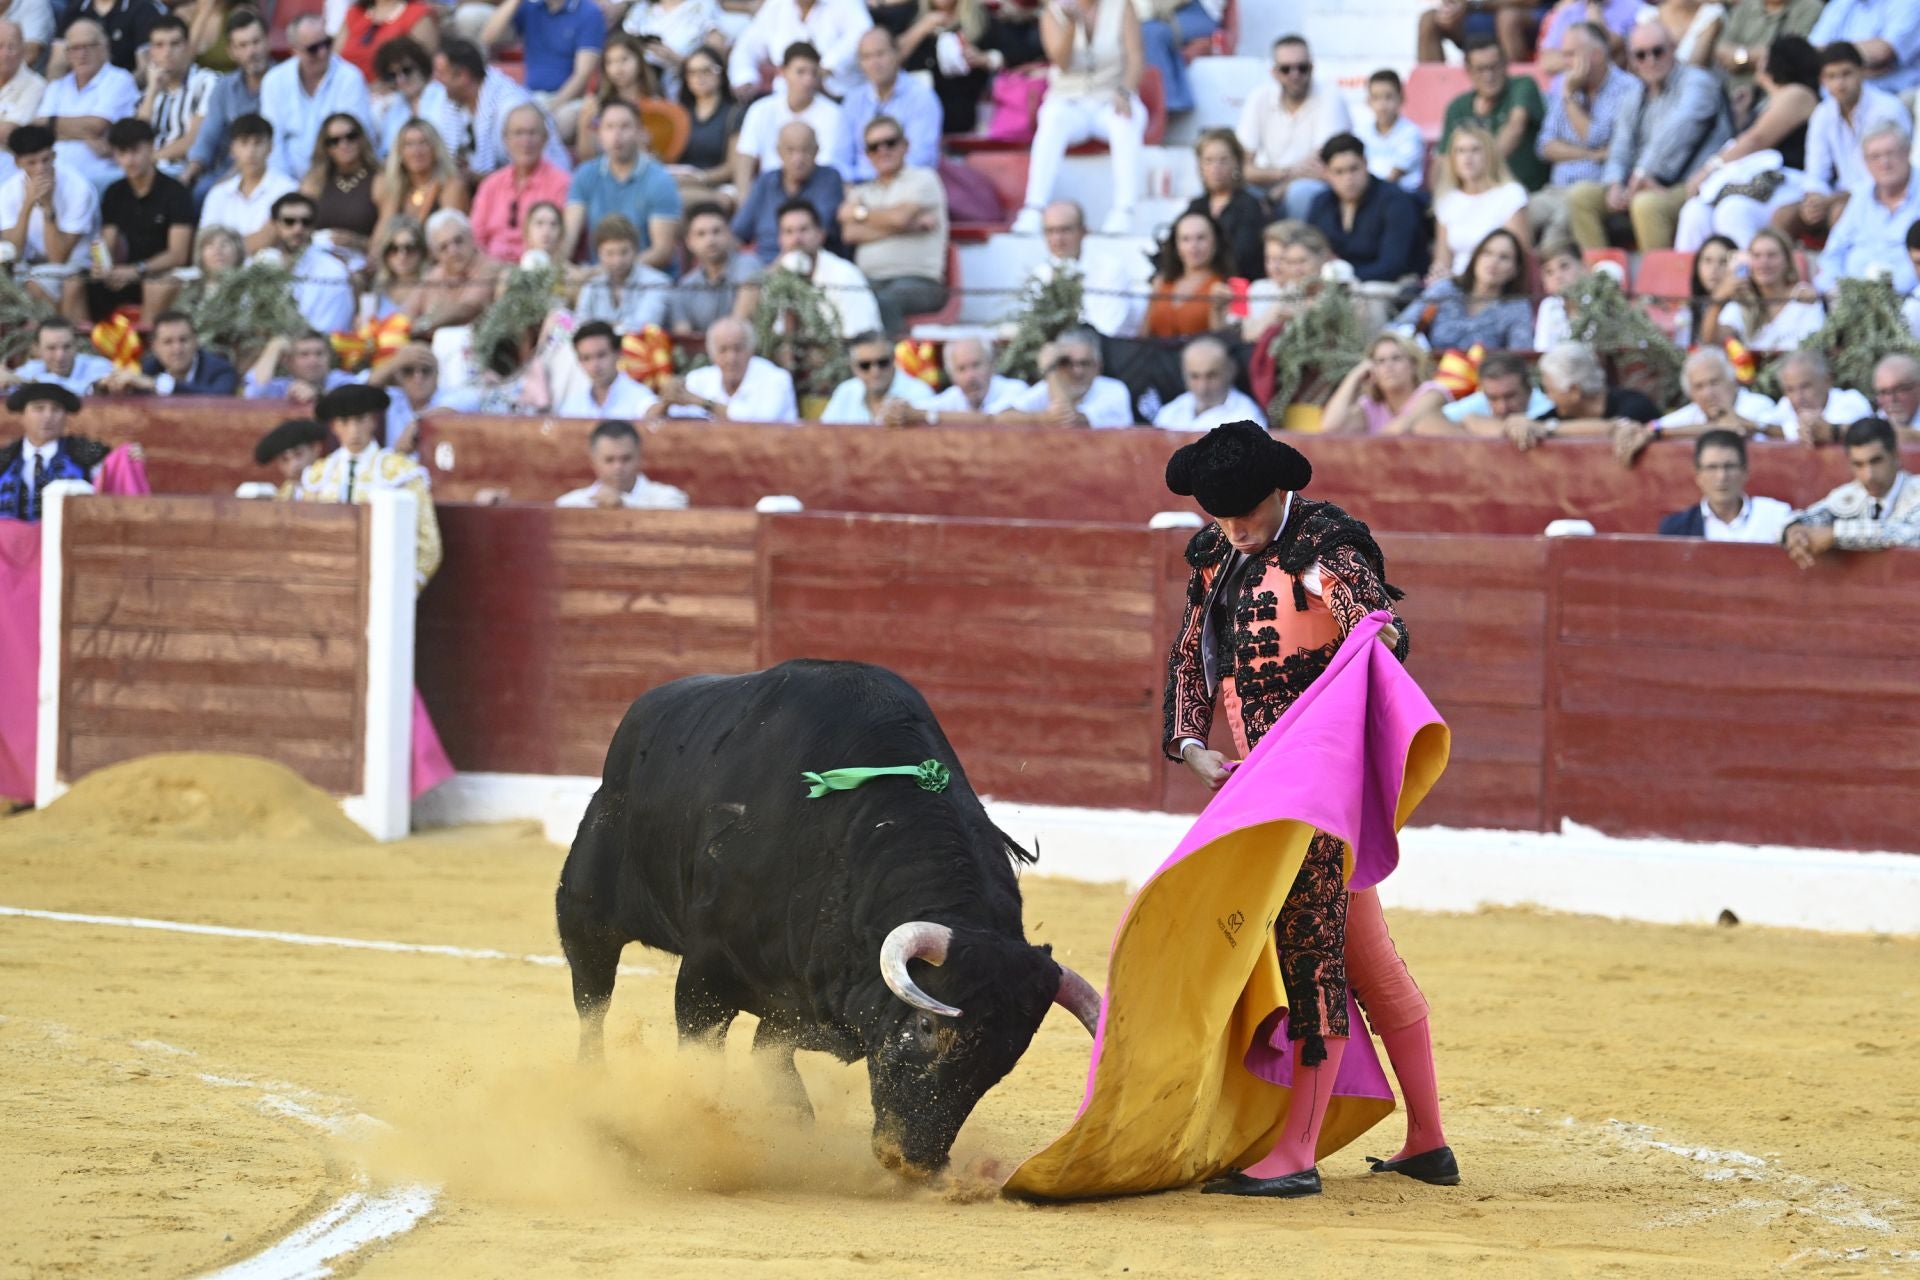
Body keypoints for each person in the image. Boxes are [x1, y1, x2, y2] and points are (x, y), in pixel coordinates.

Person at [1161, 421, 1451, 1200]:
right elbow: (1191, 655)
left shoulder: (1329, 550)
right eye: (1219, 516)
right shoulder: (1216, 557)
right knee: (1366, 961)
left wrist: (1369, 631)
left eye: (1244, 513)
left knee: (1308, 959)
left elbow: (1382, 636)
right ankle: (1428, 1140)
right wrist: (1189, 743)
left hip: (1318, 788)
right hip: (1262, 791)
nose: (1232, 529)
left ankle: (1296, 1153)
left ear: (1279, 492)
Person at [1564, 19, 1733, 250]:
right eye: (1641, 55)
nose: (1650, 60)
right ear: (1632, 60)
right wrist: (1614, 183)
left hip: (1694, 182)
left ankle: (1653, 284)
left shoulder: (1698, 82)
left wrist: (1640, 175)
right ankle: (1603, 276)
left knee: (1646, 204)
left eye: (1658, 51)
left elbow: (1677, 132)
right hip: (1641, 182)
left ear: (1673, 49)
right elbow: (1620, 145)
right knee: (1580, 196)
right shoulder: (1634, 93)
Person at [1671, 35, 1821, 253]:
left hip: (1788, 181)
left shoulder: (1798, 93)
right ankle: (1690, 284)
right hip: (1753, 182)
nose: (1760, 63)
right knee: (1694, 212)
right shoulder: (1765, 101)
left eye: (1765, 57)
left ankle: (1747, 281)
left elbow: (1756, 140)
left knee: (1734, 211)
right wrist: (1742, 116)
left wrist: (1709, 168)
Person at [1009, 0, 1146, 237]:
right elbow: (1061, 62)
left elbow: (1135, 57)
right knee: (1051, 120)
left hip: (1111, 95)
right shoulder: (1052, 10)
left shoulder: (1121, 6)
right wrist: (1073, 24)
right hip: (1069, 99)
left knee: (1125, 122)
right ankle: (1034, 207)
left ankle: (1125, 209)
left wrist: (1125, 91)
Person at [294, 382, 442, 590]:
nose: (353, 430)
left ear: (373, 421)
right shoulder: (316, 477)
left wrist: (402, 592)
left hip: (385, 584)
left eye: (360, 420)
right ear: (334, 426)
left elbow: (428, 545)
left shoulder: (401, 472)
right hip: (328, 585)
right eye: (345, 422)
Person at [1774, 43, 1911, 246]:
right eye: (1831, 76)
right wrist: (1814, 198)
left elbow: (1890, 173)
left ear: (1862, 72)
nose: (1839, 83)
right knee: (1783, 215)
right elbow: (1815, 172)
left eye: (1846, 74)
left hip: (1880, 192)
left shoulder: (1887, 108)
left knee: (1840, 212)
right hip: (1837, 195)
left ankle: (1841, 274)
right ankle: (1790, 273)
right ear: (1822, 80)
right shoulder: (1823, 113)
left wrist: (1831, 200)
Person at [67, 118, 191, 325]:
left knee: (155, 286)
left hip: (157, 273)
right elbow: (109, 240)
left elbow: (178, 254)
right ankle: (84, 347)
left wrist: (137, 270)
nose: (129, 160)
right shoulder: (115, 192)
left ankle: (148, 351)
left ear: (151, 148)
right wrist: (104, 267)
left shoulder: (175, 192)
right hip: (122, 273)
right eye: (122, 153)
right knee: (73, 283)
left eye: (135, 151)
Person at [1532, 20, 1637, 247]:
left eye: (1571, 55)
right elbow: (1544, 146)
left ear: (1597, 55)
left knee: (1552, 243)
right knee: (1511, 219)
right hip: (1555, 190)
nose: (1565, 63)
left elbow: (1594, 136)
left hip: (1594, 192)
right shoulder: (1566, 84)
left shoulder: (1628, 89)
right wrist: (1591, 155)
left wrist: (1569, 96)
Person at [839, 113, 946, 335]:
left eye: (890, 142)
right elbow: (850, 233)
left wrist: (860, 213)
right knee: (841, 296)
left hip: (920, 281)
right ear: (867, 154)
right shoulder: (862, 190)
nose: (883, 150)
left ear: (905, 145)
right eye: (874, 146)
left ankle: (889, 366)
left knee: (883, 301)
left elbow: (899, 218)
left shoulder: (924, 178)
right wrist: (909, 227)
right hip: (868, 280)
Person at [1232, 35, 1351, 224]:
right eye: (1286, 69)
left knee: (1300, 193)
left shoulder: (1330, 97)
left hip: (1316, 186)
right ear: (1275, 72)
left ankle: (1297, 250)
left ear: (1312, 68)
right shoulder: (1259, 97)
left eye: (1302, 68)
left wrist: (1280, 188)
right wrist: (1285, 174)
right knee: (1232, 194)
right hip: (1271, 183)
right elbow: (1241, 165)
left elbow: (1323, 164)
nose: (1294, 75)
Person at [1783, 417, 1920, 567]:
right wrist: (1794, 531)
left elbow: (1908, 533)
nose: (1869, 475)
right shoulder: (1851, 494)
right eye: (1858, 464)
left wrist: (1835, 534)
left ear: (1895, 455)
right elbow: (1806, 518)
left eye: (1876, 461)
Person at [564, 97, 681, 267]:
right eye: (609, 127)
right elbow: (568, 237)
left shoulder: (659, 179)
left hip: (648, 280)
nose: (616, 135)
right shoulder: (585, 174)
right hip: (598, 280)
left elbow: (661, 252)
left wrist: (604, 272)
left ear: (640, 132)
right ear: (599, 134)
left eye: (625, 127)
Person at [1487, 340, 1658, 455]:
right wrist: (1517, 424)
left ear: (1574, 391)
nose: (1548, 397)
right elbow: (1534, 425)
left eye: (1550, 390)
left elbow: (1619, 426)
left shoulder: (1634, 403)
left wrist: (1548, 429)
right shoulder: (1559, 414)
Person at [261, 15, 373, 184]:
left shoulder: (350, 77)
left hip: (339, 178)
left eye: (326, 43)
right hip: (285, 181)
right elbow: (273, 142)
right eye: (313, 49)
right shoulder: (274, 81)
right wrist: (285, 186)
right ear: (295, 50)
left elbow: (353, 140)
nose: (323, 53)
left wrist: (317, 185)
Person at [435, 36, 566, 180]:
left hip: (543, 185)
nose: (437, 80)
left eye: (442, 74)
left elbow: (526, 169)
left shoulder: (510, 108)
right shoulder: (457, 104)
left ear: (462, 76)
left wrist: (473, 178)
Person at [1305, 133, 1427, 284]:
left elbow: (1393, 266)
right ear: (1326, 173)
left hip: (1388, 286)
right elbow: (1309, 252)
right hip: (1333, 285)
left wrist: (1341, 276)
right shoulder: (1321, 203)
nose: (1348, 179)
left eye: (1354, 169)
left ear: (1365, 163)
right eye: (1339, 172)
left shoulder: (1395, 200)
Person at [480, 0, 604, 146]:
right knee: (493, 119)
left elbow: (582, 74)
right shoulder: (530, 7)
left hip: (567, 101)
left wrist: (549, 109)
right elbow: (487, 37)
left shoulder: (589, 12)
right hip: (529, 95)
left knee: (561, 120)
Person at [1816, 122, 1920, 294]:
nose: (1884, 163)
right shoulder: (1860, 196)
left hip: (1910, 302)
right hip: (1853, 301)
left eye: (1890, 153)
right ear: (1865, 162)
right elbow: (1832, 255)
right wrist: (1833, 289)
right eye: (1875, 157)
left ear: (1907, 152)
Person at [36, 16, 137, 190]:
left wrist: (54, 125)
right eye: (75, 48)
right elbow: (38, 130)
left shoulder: (119, 80)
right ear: (67, 54)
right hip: (52, 176)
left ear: (104, 48)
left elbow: (97, 126)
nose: (82, 54)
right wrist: (86, 133)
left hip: (98, 175)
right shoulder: (57, 86)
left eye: (89, 46)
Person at [1395, 228, 1534, 352]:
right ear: (1475, 258)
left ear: (1516, 269)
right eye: (1487, 253)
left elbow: (1521, 356)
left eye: (1504, 257)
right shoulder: (1444, 290)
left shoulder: (1516, 306)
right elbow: (1399, 328)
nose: (1493, 261)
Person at [734, 41, 849, 192]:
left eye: (814, 73)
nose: (808, 80)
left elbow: (827, 166)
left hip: (815, 189)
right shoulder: (760, 109)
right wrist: (745, 204)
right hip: (769, 190)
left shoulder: (834, 114)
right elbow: (745, 160)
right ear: (782, 71)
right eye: (800, 72)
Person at [0, 124, 95, 307]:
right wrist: (27, 205)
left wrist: (47, 206)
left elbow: (58, 257)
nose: (41, 169)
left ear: (54, 155)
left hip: (77, 261)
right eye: (32, 163)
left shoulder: (78, 188)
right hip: (28, 264)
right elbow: (13, 252)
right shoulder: (8, 191)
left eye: (46, 160)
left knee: (35, 284)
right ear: (17, 162)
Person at [181, 7, 268, 196]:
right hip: (224, 169)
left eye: (256, 42)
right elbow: (208, 136)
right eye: (243, 45)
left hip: (266, 169)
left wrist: (226, 181)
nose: (252, 51)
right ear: (231, 51)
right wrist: (191, 170)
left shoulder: (283, 81)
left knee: (207, 192)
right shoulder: (224, 87)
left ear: (267, 42)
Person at [1441, 37, 1546, 192]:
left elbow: (1515, 127)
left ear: (1505, 65)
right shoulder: (1457, 107)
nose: (1488, 76)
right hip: (1473, 196)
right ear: (1468, 71)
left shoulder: (1523, 85)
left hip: (1526, 193)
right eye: (1480, 69)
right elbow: (1443, 159)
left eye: (1494, 67)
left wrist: (1480, 176)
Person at [732, 119, 843, 264]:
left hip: (811, 266)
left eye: (805, 150)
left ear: (817, 150)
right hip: (761, 265)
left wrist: (771, 273)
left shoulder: (829, 178)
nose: (798, 158)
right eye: (790, 150)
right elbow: (738, 232)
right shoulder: (765, 181)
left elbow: (814, 234)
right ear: (778, 152)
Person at [1027, 197, 1141, 337]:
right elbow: (1032, 326)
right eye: (1050, 231)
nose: (1057, 239)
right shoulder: (1040, 274)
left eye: (1065, 230)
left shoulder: (1110, 270)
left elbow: (1109, 328)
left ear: (1084, 231)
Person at [1430, 120, 1530, 278]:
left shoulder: (1511, 195)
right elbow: (1443, 260)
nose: (1467, 158)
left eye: (1475, 150)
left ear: (1489, 154)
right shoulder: (1446, 200)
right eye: (1460, 151)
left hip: (1497, 287)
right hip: (1454, 286)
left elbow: (1519, 259)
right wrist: (1437, 274)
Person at [838, 27, 939, 182]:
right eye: (867, 57)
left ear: (897, 54)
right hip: (859, 186)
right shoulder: (853, 101)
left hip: (906, 185)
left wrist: (881, 182)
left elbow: (921, 158)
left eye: (880, 54)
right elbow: (840, 157)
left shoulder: (921, 97)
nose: (874, 63)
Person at [468, 103, 567, 261]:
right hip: (490, 270)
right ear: (505, 139)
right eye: (518, 133)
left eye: (532, 133)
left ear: (545, 138)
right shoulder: (491, 185)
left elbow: (562, 241)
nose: (525, 141)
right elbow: (475, 238)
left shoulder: (561, 183)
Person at [1696, 227, 1822, 350]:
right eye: (1756, 256)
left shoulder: (1804, 296)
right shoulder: (1744, 302)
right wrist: (1718, 299)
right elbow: (1711, 342)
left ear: (1787, 261)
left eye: (1772, 255)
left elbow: (1814, 347)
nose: (1764, 262)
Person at [1656, 429, 1792, 540]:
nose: (1721, 477)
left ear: (1745, 472)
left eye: (1730, 466)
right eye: (1711, 468)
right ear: (1698, 476)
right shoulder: (1675, 528)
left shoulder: (1775, 516)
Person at [0, 381, 110, 520]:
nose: (48, 417)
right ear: (22, 415)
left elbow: (116, 472)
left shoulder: (88, 452)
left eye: (56, 409)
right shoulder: (4, 457)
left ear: (66, 417)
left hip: (69, 539)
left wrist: (129, 456)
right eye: (39, 409)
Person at [774, 195, 881, 336]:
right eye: (788, 232)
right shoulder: (777, 278)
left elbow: (860, 338)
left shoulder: (845, 275)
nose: (796, 239)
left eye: (804, 229)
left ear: (821, 235)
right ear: (780, 240)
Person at [659, 315, 800, 422]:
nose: (731, 358)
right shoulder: (697, 379)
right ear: (712, 355)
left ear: (751, 350)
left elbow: (758, 423)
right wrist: (667, 401)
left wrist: (704, 404)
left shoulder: (776, 379)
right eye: (723, 350)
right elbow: (671, 416)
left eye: (738, 349)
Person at [726, 0, 872, 101]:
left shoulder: (845, 3)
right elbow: (747, 46)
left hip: (839, 96)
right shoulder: (776, 6)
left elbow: (863, 33)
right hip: (785, 99)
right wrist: (744, 78)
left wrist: (826, 66)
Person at [261, 191, 357, 336]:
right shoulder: (262, 263)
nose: (298, 229)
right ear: (275, 225)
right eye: (289, 221)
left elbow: (330, 330)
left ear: (313, 226)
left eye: (306, 222)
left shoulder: (334, 270)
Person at [997, 326, 1134, 427]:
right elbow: (1003, 418)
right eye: (1068, 363)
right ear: (1059, 366)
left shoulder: (1114, 390)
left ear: (1098, 367)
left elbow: (1068, 421)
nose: (1077, 371)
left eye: (1084, 363)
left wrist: (1050, 370)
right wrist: (1043, 418)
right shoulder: (1048, 386)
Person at [199, 113, 296, 253]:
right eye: (244, 143)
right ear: (232, 149)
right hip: (223, 272)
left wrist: (224, 250)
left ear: (270, 147)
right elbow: (205, 244)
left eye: (258, 143)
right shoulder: (218, 194)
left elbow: (270, 237)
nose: (251, 151)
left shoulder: (287, 189)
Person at [1322, 333, 1451, 436]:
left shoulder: (1433, 392)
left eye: (1396, 358)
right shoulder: (1370, 406)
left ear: (1413, 365)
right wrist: (1354, 376)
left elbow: (1402, 427)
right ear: (1372, 369)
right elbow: (1330, 428)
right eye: (1380, 361)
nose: (1388, 366)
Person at [137, 15, 216, 182]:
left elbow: (194, 140)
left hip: (184, 172)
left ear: (187, 47)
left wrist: (148, 159)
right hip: (146, 172)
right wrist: (152, 91)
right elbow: (136, 136)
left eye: (175, 44)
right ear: (151, 52)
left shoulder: (206, 82)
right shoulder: (149, 91)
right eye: (159, 45)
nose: (167, 52)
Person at [1644, 346, 1776, 443]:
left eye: (1714, 382)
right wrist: (1652, 430)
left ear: (1733, 381)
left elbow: (1732, 429)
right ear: (1690, 393)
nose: (1708, 393)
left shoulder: (1759, 404)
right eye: (1699, 386)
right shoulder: (1694, 411)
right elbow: (1654, 427)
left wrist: (1662, 432)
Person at [664, 201, 760, 333]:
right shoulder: (684, 287)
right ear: (689, 242)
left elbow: (740, 326)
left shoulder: (748, 264)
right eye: (701, 234)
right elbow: (684, 337)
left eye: (716, 231)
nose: (710, 240)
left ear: (728, 233)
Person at [1184, 129, 1267, 281]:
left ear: (1236, 162)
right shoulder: (1196, 206)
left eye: (1223, 160)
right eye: (1209, 160)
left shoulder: (1249, 205)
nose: (1216, 167)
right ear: (1200, 166)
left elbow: (1243, 257)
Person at [556, 417, 689, 509]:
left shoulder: (670, 498)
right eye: (609, 460)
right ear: (593, 460)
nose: (618, 467)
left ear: (639, 457)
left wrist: (623, 505)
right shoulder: (570, 504)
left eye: (626, 459)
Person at [405, 207, 499, 335]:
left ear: (471, 237)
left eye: (458, 241)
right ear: (435, 254)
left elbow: (469, 308)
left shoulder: (490, 268)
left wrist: (424, 324)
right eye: (444, 247)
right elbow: (406, 314)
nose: (453, 251)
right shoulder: (433, 275)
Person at [889, 335, 1027, 422]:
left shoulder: (1015, 390)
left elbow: (989, 419)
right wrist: (899, 410)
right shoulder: (953, 396)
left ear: (991, 366)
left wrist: (927, 416)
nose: (970, 376)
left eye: (976, 365)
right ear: (952, 376)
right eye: (962, 369)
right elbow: (919, 409)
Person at [300, 111, 381, 258]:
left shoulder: (379, 179)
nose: (344, 144)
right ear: (326, 147)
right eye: (334, 141)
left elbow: (385, 238)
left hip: (362, 261)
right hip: (318, 259)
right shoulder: (314, 181)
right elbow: (298, 227)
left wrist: (357, 242)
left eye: (351, 137)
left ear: (362, 138)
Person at [1143, 208, 1233, 339]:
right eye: (1185, 239)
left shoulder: (1225, 286)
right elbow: (1143, 335)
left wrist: (1217, 310)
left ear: (1215, 241)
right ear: (1176, 245)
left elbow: (1224, 341)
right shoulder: (1161, 282)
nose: (1193, 246)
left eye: (1201, 238)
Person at [102, 309, 239, 395]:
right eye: (168, 342)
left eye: (183, 340)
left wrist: (156, 384)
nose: (177, 349)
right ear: (154, 347)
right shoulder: (146, 368)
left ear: (196, 342)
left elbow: (217, 400)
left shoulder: (221, 370)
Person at [1716, 0, 1822, 110]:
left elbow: (1794, 54)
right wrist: (1758, 56)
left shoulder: (1810, 7)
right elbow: (1721, 49)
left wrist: (1741, 58)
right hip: (1735, 93)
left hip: (1781, 96)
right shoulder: (1746, 6)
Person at [377, 117, 469, 242]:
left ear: (436, 148)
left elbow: (450, 239)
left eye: (423, 143)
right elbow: (381, 236)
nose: (417, 151)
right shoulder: (397, 188)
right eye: (409, 144)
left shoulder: (452, 185)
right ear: (400, 153)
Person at [1804, 0, 1920, 99]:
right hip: (1835, 100)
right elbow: (1810, 52)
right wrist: (1854, 66)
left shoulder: (1909, 2)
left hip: (1892, 97)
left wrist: (1832, 60)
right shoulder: (1841, 3)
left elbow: (1882, 52)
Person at [574, 212, 670, 330]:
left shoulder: (657, 283)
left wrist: (598, 328)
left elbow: (642, 327)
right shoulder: (591, 285)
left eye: (624, 252)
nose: (617, 261)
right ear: (599, 254)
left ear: (635, 250)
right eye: (609, 253)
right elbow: (580, 325)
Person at [369, 35, 460, 158]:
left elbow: (453, 146)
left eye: (406, 70)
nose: (400, 80)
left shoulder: (445, 96)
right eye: (392, 75)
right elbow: (386, 151)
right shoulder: (392, 108)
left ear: (421, 66)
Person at [671, 46, 742, 203]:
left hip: (719, 187)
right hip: (680, 181)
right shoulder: (679, 113)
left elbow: (733, 166)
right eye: (692, 72)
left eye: (706, 70)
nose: (699, 77)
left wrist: (699, 178)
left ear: (721, 73)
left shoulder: (735, 114)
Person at [820, 328, 936, 422]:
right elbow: (823, 435)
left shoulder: (919, 393)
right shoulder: (845, 392)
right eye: (865, 365)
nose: (875, 372)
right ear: (853, 367)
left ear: (893, 360)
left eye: (882, 363)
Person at [1152, 335, 1265, 431]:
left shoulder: (1247, 418)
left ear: (1230, 371)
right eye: (1195, 376)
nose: (1203, 387)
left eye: (1211, 376)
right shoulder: (1170, 412)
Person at [1760, 349, 1872, 444]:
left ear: (1827, 381)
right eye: (1790, 390)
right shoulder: (1785, 404)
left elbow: (1821, 431)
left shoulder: (1852, 401)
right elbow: (1764, 425)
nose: (1798, 397)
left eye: (1805, 387)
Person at [558, 320, 660, 418]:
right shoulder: (572, 405)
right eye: (586, 358)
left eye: (601, 355)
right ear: (579, 362)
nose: (595, 365)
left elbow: (653, 412)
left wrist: (665, 405)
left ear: (618, 353)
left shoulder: (640, 396)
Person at [1354, 69, 1423, 196]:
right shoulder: (1361, 132)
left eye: (1388, 97)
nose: (1382, 105)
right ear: (1368, 101)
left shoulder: (1411, 133)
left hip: (1404, 195)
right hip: (1369, 196)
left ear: (1401, 99)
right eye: (1376, 98)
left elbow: (1395, 175)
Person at [1441, 349, 1553, 426]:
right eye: (1493, 398)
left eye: (1510, 396)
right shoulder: (1482, 399)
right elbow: (1436, 417)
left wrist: (1474, 422)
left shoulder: (1549, 409)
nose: (1502, 407)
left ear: (1528, 388)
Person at [244, 330, 358, 404]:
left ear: (329, 358)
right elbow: (255, 392)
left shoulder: (340, 380)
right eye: (304, 354)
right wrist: (274, 347)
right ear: (288, 362)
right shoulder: (281, 387)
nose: (313, 360)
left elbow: (358, 398)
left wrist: (318, 395)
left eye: (319, 353)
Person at [0, 316, 109, 393]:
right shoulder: (30, 369)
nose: (60, 356)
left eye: (67, 347)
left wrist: (26, 383)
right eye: (51, 348)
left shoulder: (100, 366)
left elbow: (83, 391)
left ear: (76, 345)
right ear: (37, 349)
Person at [341, 0, 438, 83]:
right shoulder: (354, 13)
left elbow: (420, 70)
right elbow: (334, 60)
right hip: (346, 93)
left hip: (393, 97)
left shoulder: (418, 14)